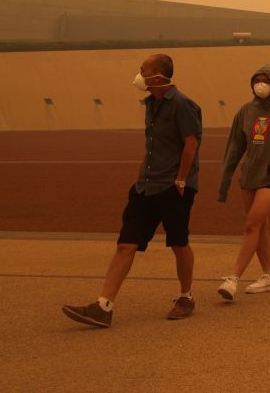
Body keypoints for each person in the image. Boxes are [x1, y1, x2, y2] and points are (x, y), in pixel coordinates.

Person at [62, 54, 202, 328]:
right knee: (126, 244)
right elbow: (152, 147)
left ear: (158, 77)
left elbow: (191, 144)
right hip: (145, 186)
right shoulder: (151, 104)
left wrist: (181, 181)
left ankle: (185, 297)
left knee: (178, 243)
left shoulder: (183, 105)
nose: (138, 75)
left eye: (143, 70)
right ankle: (104, 306)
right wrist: (141, 177)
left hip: (174, 187)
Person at [217, 65, 270, 300]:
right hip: (249, 177)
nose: (261, 84)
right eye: (257, 80)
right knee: (260, 227)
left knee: (251, 225)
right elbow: (234, 149)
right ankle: (269, 275)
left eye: (266, 80)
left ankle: (233, 278)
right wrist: (224, 183)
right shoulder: (246, 111)